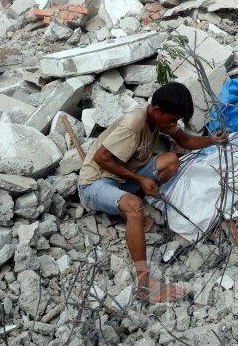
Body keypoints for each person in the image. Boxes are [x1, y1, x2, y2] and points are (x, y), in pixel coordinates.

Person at [78, 82, 227, 303]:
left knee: (171, 161)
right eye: (170, 120)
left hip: (123, 177)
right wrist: (140, 179)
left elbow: (185, 141)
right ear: (157, 110)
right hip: (95, 183)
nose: (172, 124)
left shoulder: (160, 116)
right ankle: (144, 283)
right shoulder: (133, 123)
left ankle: (131, 205)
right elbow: (102, 159)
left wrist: (212, 140)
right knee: (134, 207)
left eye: (175, 121)